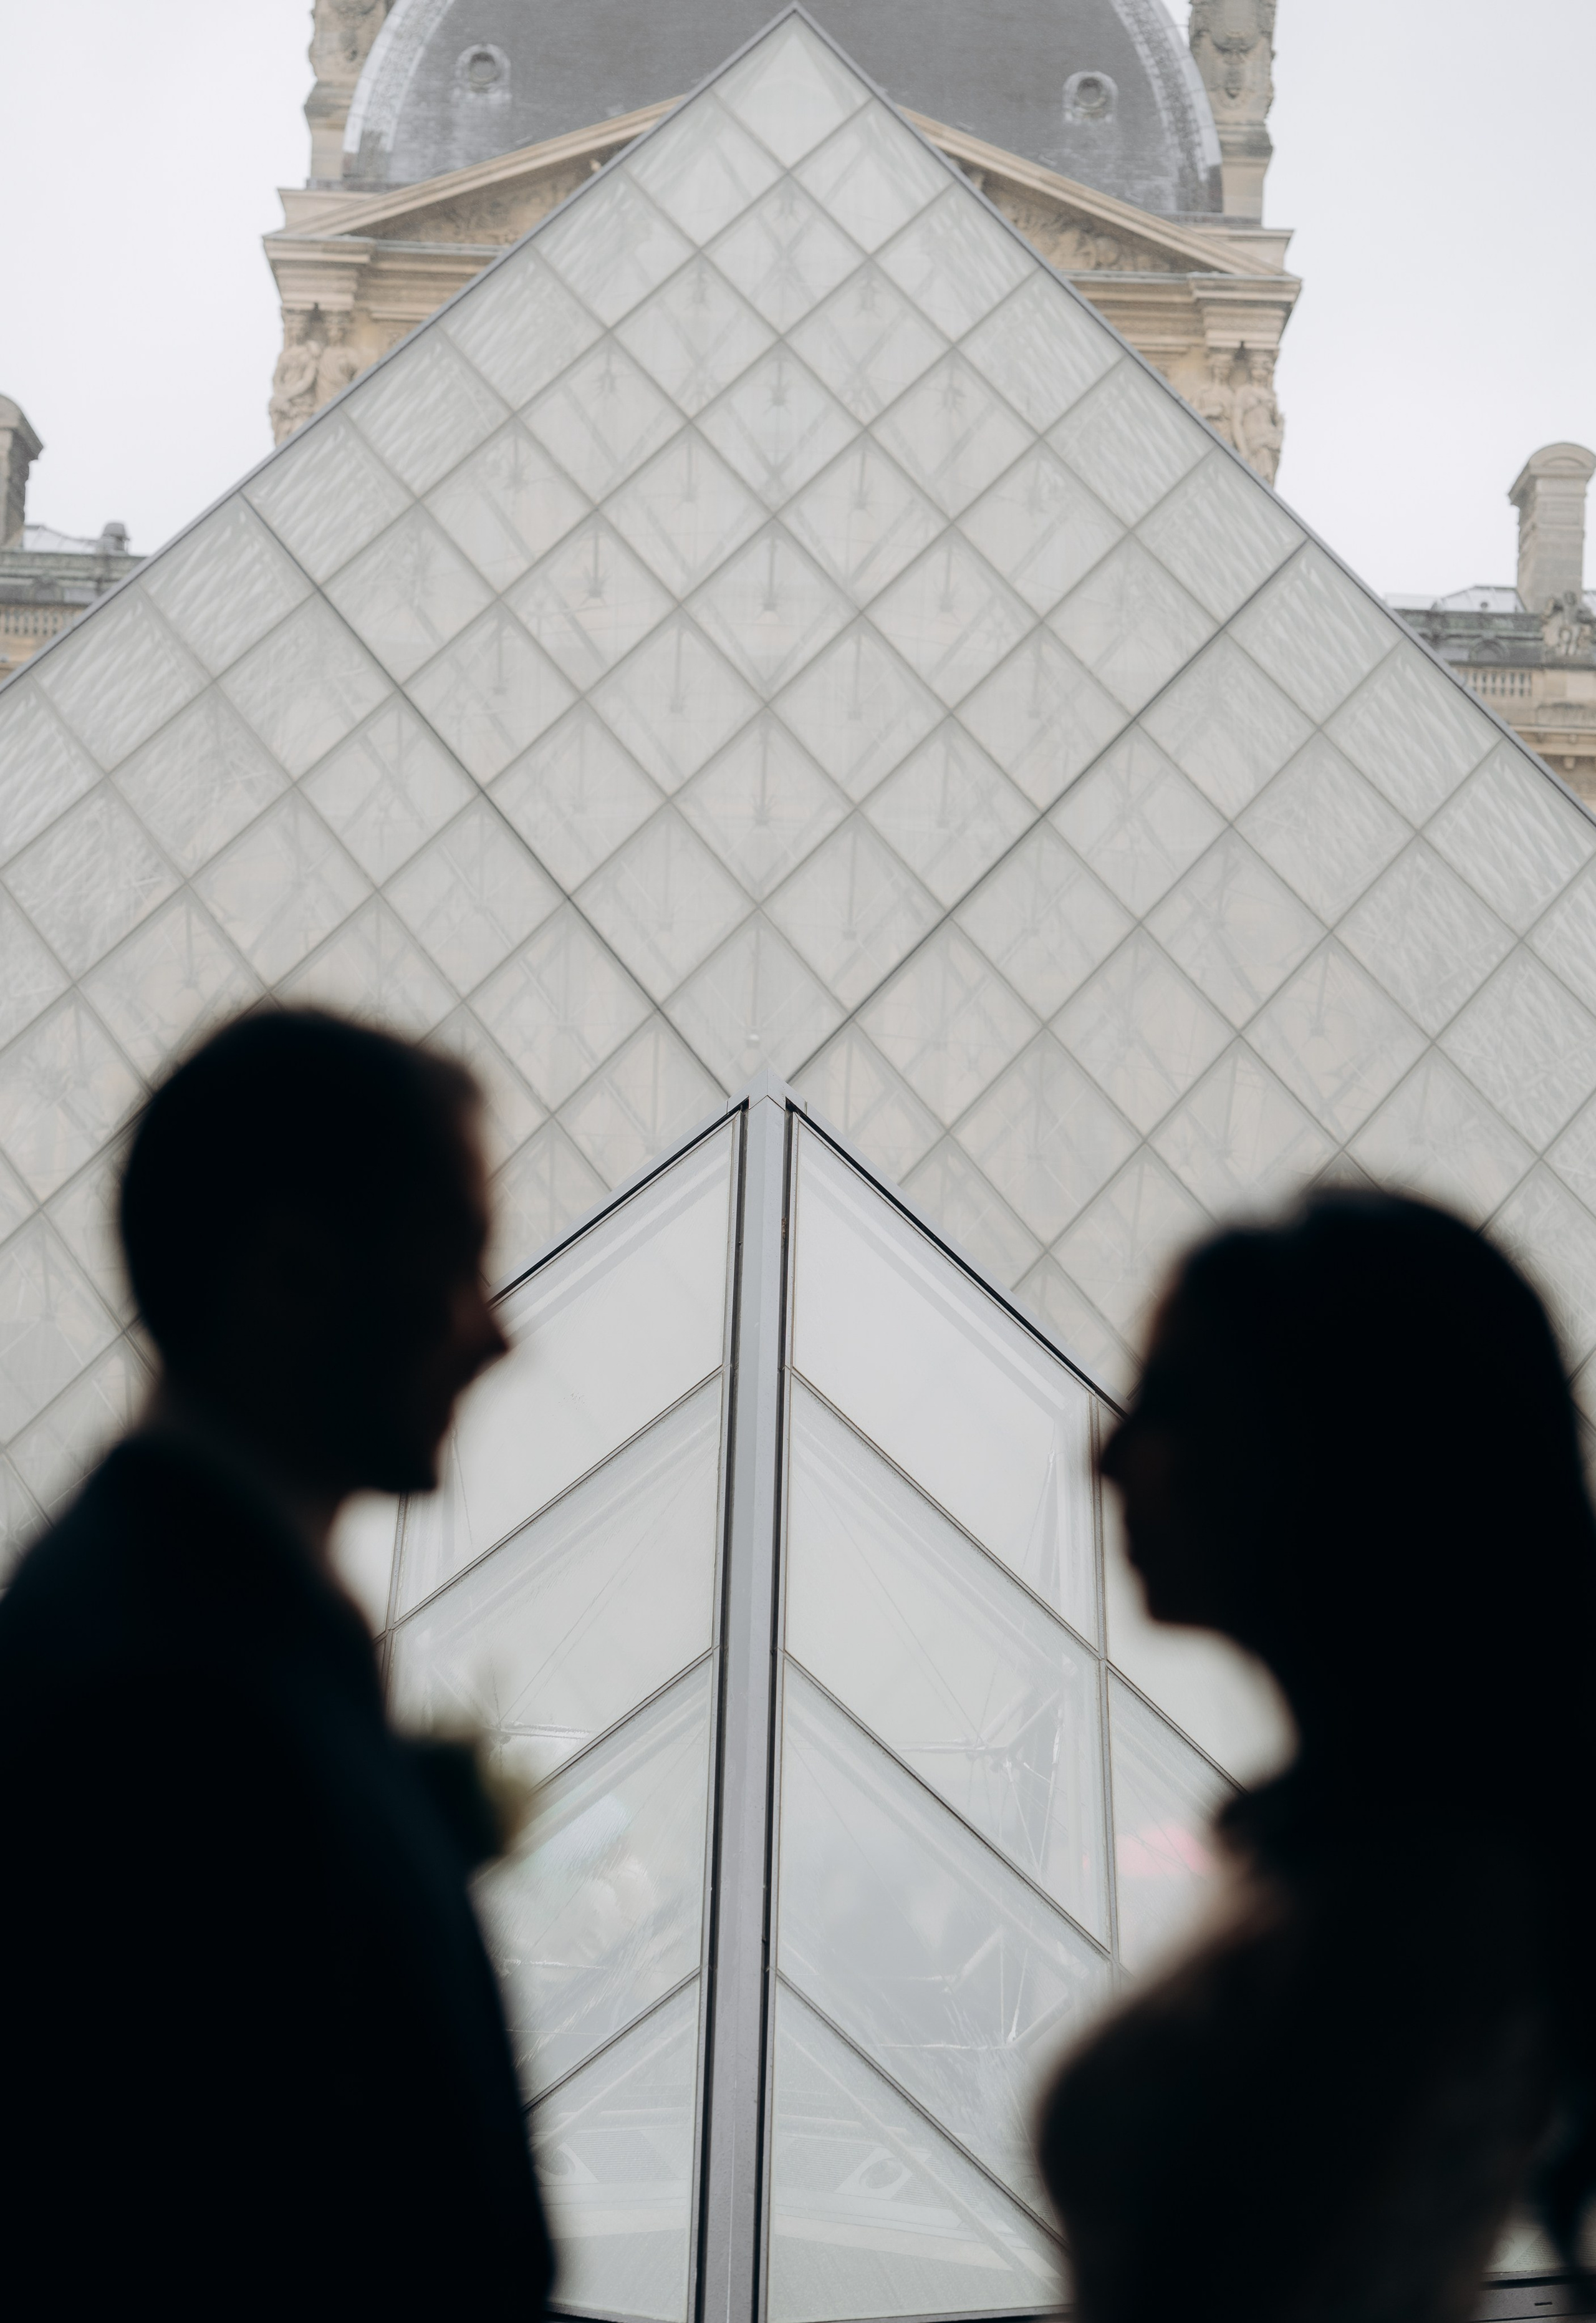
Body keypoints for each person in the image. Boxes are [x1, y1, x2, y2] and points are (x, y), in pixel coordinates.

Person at [0, 1010, 552, 2316]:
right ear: (292, 1277)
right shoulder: (171, 1702)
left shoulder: (150, 1623)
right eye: (464, 1262)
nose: (497, 1334)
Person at [1039, 1191, 1596, 2323]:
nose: (1107, 1453)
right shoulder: (1411, 1862)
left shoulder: (1416, 1902)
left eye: (1173, 1403)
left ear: (1345, 1457)